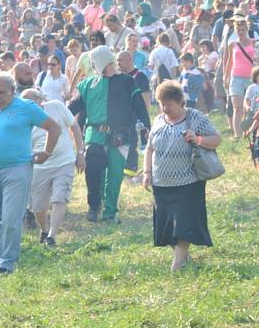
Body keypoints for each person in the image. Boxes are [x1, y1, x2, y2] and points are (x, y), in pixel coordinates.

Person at [0, 71, 60, 274]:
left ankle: (7, 261)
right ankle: (2, 252)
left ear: (13, 91)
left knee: (10, 218)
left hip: (17, 169)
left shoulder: (25, 107)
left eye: (1, 92)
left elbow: (53, 127)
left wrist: (47, 152)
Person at [143, 81, 221, 271]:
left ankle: (176, 265)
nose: (164, 108)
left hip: (188, 182)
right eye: (162, 103)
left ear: (180, 102)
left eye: (169, 104)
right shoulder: (159, 120)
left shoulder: (195, 117)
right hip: (161, 183)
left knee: (184, 225)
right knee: (168, 227)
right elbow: (149, 148)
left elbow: (217, 139)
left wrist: (198, 139)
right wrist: (147, 173)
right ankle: (183, 257)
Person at [69, 46, 151, 222]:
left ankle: (110, 212)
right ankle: (93, 206)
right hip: (95, 135)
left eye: (92, 61)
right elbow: (73, 109)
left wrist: (147, 127)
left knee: (114, 176)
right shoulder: (88, 84)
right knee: (94, 173)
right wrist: (56, 114)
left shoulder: (128, 82)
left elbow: (139, 106)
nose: (91, 64)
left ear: (101, 61)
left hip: (120, 135)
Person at [21, 89, 85, 246]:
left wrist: (80, 153)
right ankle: (44, 230)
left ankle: (52, 236)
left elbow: (75, 127)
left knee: (59, 197)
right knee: (38, 206)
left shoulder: (56, 106)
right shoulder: (23, 120)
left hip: (64, 161)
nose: (27, 107)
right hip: (39, 167)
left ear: (39, 100)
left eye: (30, 103)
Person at [224, 13, 259, 137]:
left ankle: (249, 131)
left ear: (247, 29)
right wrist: (226, 76)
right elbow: (230, 61)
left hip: (250, 77)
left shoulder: (253, 42)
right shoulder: (232, 44)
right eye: (238, 30)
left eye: (243, 29)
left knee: (249, 107)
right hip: (236, 76)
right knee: (237, 107)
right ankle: (237, 134)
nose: (240, 32)